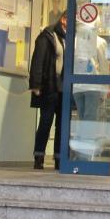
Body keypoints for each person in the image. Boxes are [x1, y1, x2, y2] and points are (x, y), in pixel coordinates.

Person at [29, 11, 67, 170]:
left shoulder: (68, 38)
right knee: (46, 121)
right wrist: (36, 85)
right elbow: (38, 61)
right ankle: (39, 156)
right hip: (49, 85)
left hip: (64, 87)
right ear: (63, 19)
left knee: (61, 124)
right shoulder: (48, 36)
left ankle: (59, 158)